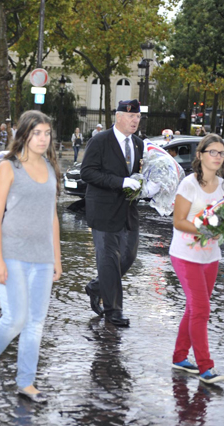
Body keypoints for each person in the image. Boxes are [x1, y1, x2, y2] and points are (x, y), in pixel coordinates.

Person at [0, 110, 62, 403]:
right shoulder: (8, 167)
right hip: (12, 254)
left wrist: (57, 258)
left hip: (43, 258)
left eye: (47, 133)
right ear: (24, 135)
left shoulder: (50, 167)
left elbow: (52, 216)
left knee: (35, 323)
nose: (43, 139)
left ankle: (26, 382)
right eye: (37, 133)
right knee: (16, 318)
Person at [169, 134, 224, 384]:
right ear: (200, 155)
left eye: (221, 153)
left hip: (211, 256)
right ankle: (206, 367)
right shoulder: (189, 185)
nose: (217, 157)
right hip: (185, 256)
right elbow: (178, 221)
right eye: (212, 152)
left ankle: (179, 356)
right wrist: (206, 229)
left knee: (194, 308)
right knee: (202, 309)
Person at [80, 100, 144, 327]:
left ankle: (96, 286)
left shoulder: (138, 143)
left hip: (128, 210)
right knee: (108, 260)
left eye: (138, 117)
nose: (135, 120)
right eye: (131, 116)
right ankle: (113, 310)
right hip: (103, 210)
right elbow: (87, 172)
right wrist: (120, 182)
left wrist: (146, 186)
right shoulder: (100, 140)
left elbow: (138, 173)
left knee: (128, 255)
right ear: (118, 117)